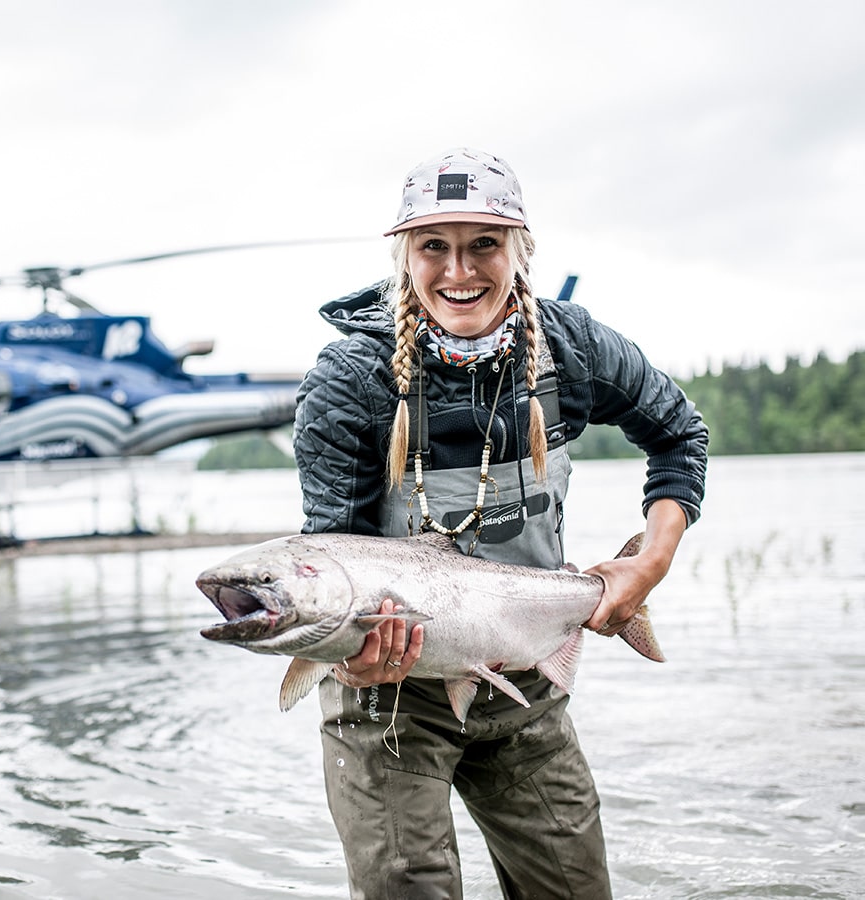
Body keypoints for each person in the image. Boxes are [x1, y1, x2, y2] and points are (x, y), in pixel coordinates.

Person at [292, 148, 708, 899]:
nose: (460, 271)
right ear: (403, 257)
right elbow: (333, 556)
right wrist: (355, 656)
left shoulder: (575, 351)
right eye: (434, 247)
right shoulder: (350, 382)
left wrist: (647, 564)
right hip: (388, 700)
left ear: (520, 249)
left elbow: (680, 435)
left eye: (484, 242)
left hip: (525, 688)